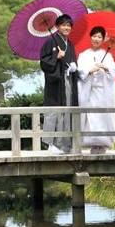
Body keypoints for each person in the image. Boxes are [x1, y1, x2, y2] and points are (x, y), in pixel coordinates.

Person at [77, 26, 115, 154]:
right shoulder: (83, 55)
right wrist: (90, 70)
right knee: (90, 116)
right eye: (94, 36)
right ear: (90, 37)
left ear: (103, 40)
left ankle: (102, 144)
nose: (96, 39)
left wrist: (105, 68)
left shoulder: (107, 55)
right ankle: (90, 142)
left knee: (102, 117)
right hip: (89, 92)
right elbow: (80, 71)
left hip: (102, 92)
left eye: (99, 37)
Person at [40, 14, 78, 154]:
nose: (66, 27)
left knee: (67, 110)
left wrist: (74, 66)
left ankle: (65, 143)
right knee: (54, 111)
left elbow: (72, 60)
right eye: (63, 25)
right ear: (57, 27)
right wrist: (56, 57)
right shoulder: (51, 42)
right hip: (55, 82)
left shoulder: (71, 44)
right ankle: (51, 143)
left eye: (68, 25)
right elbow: (44, 62)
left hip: (68, 81)